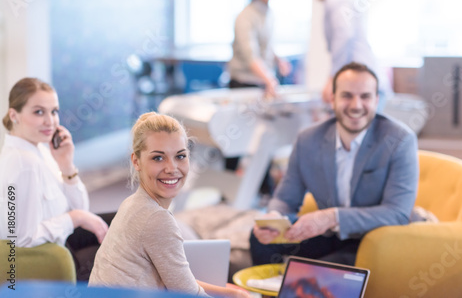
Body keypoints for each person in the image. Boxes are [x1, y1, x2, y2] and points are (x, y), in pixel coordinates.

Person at [250, 62, 418, 266]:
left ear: (376, 100)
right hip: (329, 235)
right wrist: (273, 219)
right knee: (261, 241)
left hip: (374, 238)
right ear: (333, 99)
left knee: (324, 269)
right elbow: (286, 199)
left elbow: (397, 213)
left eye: (365, 96)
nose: (356, 105)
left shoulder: (399, 139)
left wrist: (332, 217)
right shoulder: (308, 139)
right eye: (347, 95)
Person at [89, 112, 250, 297]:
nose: (172, 168)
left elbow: (181, 283)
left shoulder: (132, 203)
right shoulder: (156, 219)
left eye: (180, 156)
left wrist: (234, 294)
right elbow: (188, 295)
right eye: (158, 158)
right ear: (136, 161)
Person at [0, 77, 109, 279]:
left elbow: (81, 207)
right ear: (14, 115)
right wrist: (75, 218)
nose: (50, 121)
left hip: (65, 239)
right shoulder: (24, 163)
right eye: (39, 112)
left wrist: (66, 164)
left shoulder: (39, 150)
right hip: (55, 254)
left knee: (128, 224)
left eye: (54, 111)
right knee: (132, 249)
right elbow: (23, 238)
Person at [311, 0, 393, 107]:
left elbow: (344, 35)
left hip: (365, 84)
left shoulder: (335, 0)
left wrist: (333, 78)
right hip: (365, 83)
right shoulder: (337, 1)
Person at [227, 0, 292, 98]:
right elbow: (250, 56)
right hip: (245, 83)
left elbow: (266, 45)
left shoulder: (269, 14)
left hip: (263, 81)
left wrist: (278, 60)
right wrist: (270, 80)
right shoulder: (245, 16)